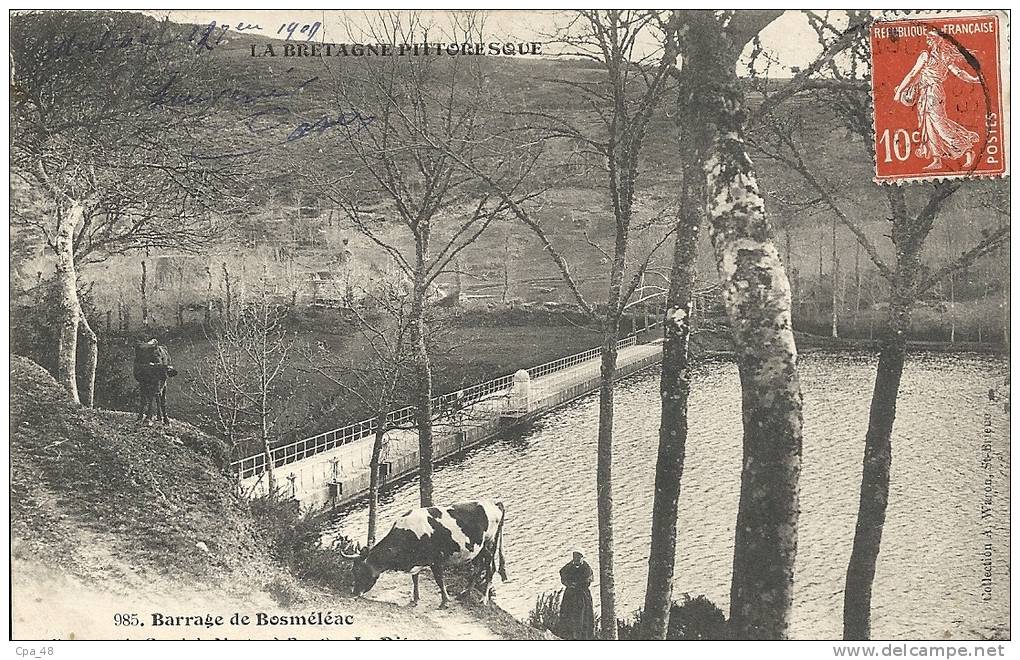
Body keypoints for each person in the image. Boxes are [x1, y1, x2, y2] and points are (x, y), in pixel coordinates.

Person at [893, 29, 981, 171]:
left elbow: (912, 75)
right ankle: (937, 159)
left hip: (933, 93)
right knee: (929, 125)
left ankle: (965, 147)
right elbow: (959, 73)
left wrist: (900, 92)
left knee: (939, 125)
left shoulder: (929, 56)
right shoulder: (938, 56)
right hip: (927, 93)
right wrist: (974, 79)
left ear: (934, 41)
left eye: (930, 39)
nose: (928, 41)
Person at [557, 551, 595, 640]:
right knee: (568, 616)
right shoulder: (570, 566)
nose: (577, 559)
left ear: (583, 557)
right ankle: (568, 637)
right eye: (575, 557)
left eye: (579, 557)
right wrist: (569, 584)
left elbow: (586, 581)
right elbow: (562, 573)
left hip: (582, 596)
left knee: (582, 618)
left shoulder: (586, 568)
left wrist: (574, 584)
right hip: (570, 596)